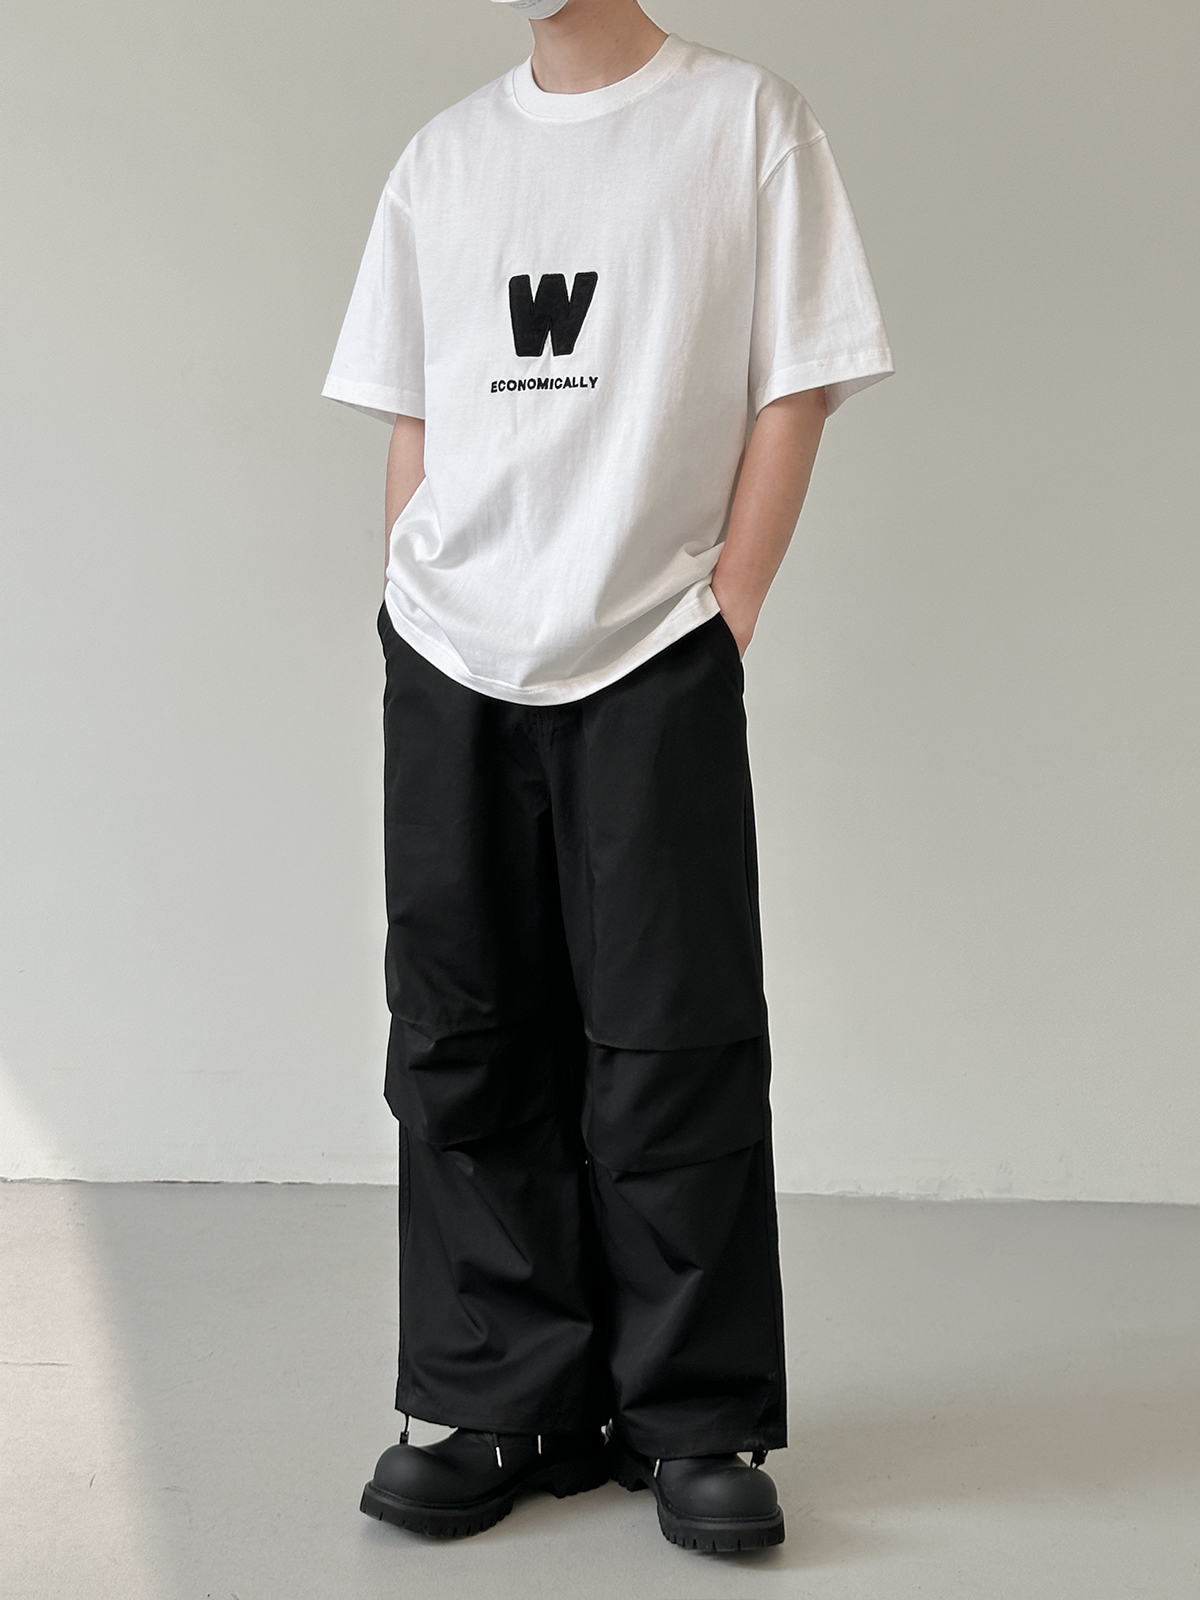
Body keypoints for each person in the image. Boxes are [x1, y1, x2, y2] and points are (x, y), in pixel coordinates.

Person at [322, 0, 892, 1555]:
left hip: (652, 646)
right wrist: (407, 595)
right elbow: (417, 411)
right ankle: (497, 1397)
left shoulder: (744, 123)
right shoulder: (444, 159)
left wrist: (730, 607)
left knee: (672, 1029)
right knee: (461, 1027)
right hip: (451, 651)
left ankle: (692, 1416)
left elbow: (799, 379)